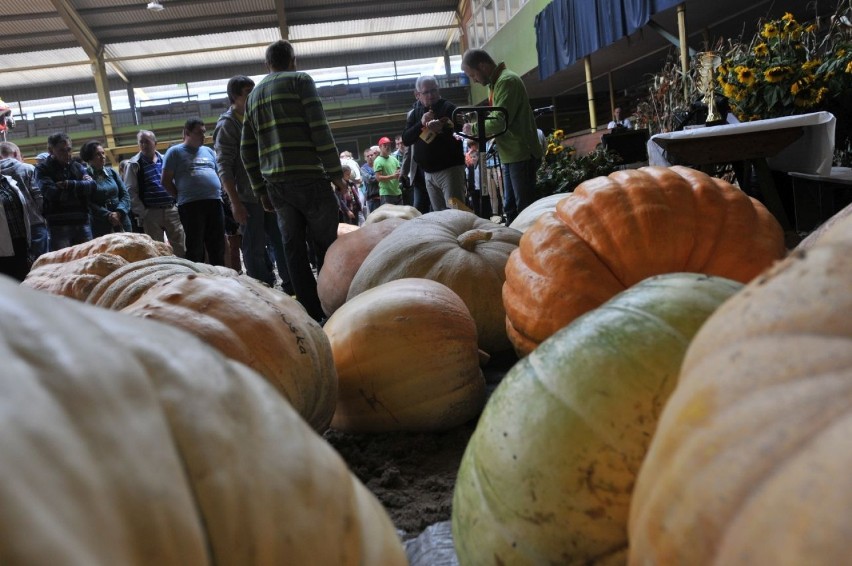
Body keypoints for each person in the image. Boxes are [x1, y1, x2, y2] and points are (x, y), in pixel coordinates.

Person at [241, 39, 345, 323]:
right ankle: (332, 308)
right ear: (293, 60)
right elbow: (319, 128)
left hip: (276, 185)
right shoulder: (300, 81)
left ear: (268, 64)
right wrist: (336, 174)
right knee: (326, 246)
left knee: (293, 248)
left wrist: (259, 188)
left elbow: (246, 149)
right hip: (310, 177)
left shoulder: (254, 95)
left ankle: (311, 313)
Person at [214, 74, 292, 291]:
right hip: (247, 197)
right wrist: (235, 203)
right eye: (248, 92)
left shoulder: (258, 117)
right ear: (234, 97)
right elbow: (224, 165)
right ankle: (262, 289)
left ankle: (290, 285)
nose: (254, 95)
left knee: (282, 240)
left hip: (269, 192)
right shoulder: (227, 125)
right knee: (254, 245)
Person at [461, 49, 543, 225]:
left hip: (521, 154)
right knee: (510, 207)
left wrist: (473, 128)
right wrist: (475, 117)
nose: (474, 80)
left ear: (482, 66)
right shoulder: (496, 83)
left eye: (473, 74)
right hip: (510, 154)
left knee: (524, 208)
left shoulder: (507, 81)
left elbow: (499, 121)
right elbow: (495, 116)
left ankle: (529, 245)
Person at [162, 118, 225, 266]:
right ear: (187, 133)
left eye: (204, 132)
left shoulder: (209, 151)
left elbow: (218, 174)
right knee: (195, 246)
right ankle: (197, 279)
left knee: (217, 245)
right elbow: (165, 181)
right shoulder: (174, 152)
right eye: (199, 133)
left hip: (214, 202)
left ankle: (219, 278)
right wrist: (180, 196)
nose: (203, 136)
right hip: (190, 205)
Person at [401, 75, 466, 211]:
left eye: (434, 90)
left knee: (457, 212)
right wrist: (421, 123)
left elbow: (462, 133)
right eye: (426, 92)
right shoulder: (415, 113)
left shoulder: (449, 108)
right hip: (428, 174)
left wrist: (443, 129)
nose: (431, 95)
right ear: (417, 94)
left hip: (449, 171)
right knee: (440, 215)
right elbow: (406, 139)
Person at [124, 130, 186, 256]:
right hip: (151, 213)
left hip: (171, 210)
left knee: (180, 246)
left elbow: (176, 181)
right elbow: (130, 190)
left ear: (155, 143)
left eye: (147, 141)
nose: (144, 145)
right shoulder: (134, 164)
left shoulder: (166, 160)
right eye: (141, 142)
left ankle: (184, 272)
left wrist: (178, 204)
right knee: (157, 249)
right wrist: (143, 212)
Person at [33, 132, 94, 250]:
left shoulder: (78, 166)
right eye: (62, 150)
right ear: (50, 150)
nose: (67, 153)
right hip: (58, 226)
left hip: (82, 222)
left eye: (69, 149)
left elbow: (92, 187)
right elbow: (52, 194)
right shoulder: (42, 169)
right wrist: (80, 188)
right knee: (63, 264)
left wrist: (68, 184)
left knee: (87, 261)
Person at [0, 141, 48, 259]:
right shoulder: (28, 168)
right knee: (41, 263)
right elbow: (38, 195)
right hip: (35, 223)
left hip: (11, 230)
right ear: (16, 153)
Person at [79, 140, 132, 236]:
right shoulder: (84, 176)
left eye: (103, 153)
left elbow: (125, 195)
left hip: (122, 220)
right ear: (89, 158)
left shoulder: (112, 172)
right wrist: (108, 215)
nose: (102, 156)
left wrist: (119, 212)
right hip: (100, 223)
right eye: (98, 154)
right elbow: (87, 202)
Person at [0, 173, 30, 280]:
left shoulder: (8, 181)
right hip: (3, 246)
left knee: (23, 279)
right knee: (8, 283)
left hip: (20, 240)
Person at [373, 137, 402, 206]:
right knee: (389, 216)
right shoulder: (377, 161)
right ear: (380, 147)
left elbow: (398, 172)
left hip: (397, 192)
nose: (388, 147)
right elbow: (378, 178)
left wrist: (400, 174)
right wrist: (392, 176)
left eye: (389, 145)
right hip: (386, 193)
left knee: (400, 215)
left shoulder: (394, 159)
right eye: (385, 145)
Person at [360, 146, 381, 214]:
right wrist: (380, 176)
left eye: (371, 155)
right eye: (368, 156)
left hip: (383, 196)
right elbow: (370, 180)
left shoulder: (379, 165)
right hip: (373, 199)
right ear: (365, 158)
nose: (370, 157)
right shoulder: (363, 169)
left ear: (374, 155)